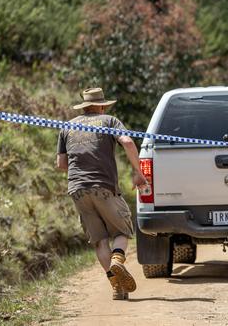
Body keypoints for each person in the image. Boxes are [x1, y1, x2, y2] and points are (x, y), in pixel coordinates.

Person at [56, 87, 148, 300]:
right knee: (122, 231)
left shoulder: (67, 126)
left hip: (77, 189)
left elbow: (61, 164)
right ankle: (118, 260)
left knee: (99, 240)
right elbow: (127, 142)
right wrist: (138, 172)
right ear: (101, 106)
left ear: (85, 106)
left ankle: (116, 287)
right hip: (103, 186)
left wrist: (81, 173)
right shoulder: (109, 121)